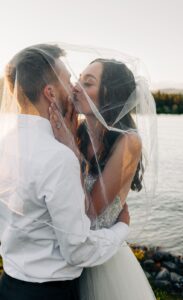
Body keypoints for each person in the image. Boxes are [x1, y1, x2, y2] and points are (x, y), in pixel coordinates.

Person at [0, 44, 131, 300]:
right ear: (49, 92)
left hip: (10, 286)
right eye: (68, 79)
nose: (73, 87)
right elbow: (77, 250)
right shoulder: (58, 157)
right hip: (50, 293)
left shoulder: (4, 144)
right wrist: (122, 229)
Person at [49, 58, 157, 299]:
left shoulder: (128, 142)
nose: (76, 86)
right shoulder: (76, 129)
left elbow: (90, 212)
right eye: (78, 79)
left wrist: (71, 150)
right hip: (67, 254)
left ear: (110, 94)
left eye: (88, 83)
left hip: (102, 260)